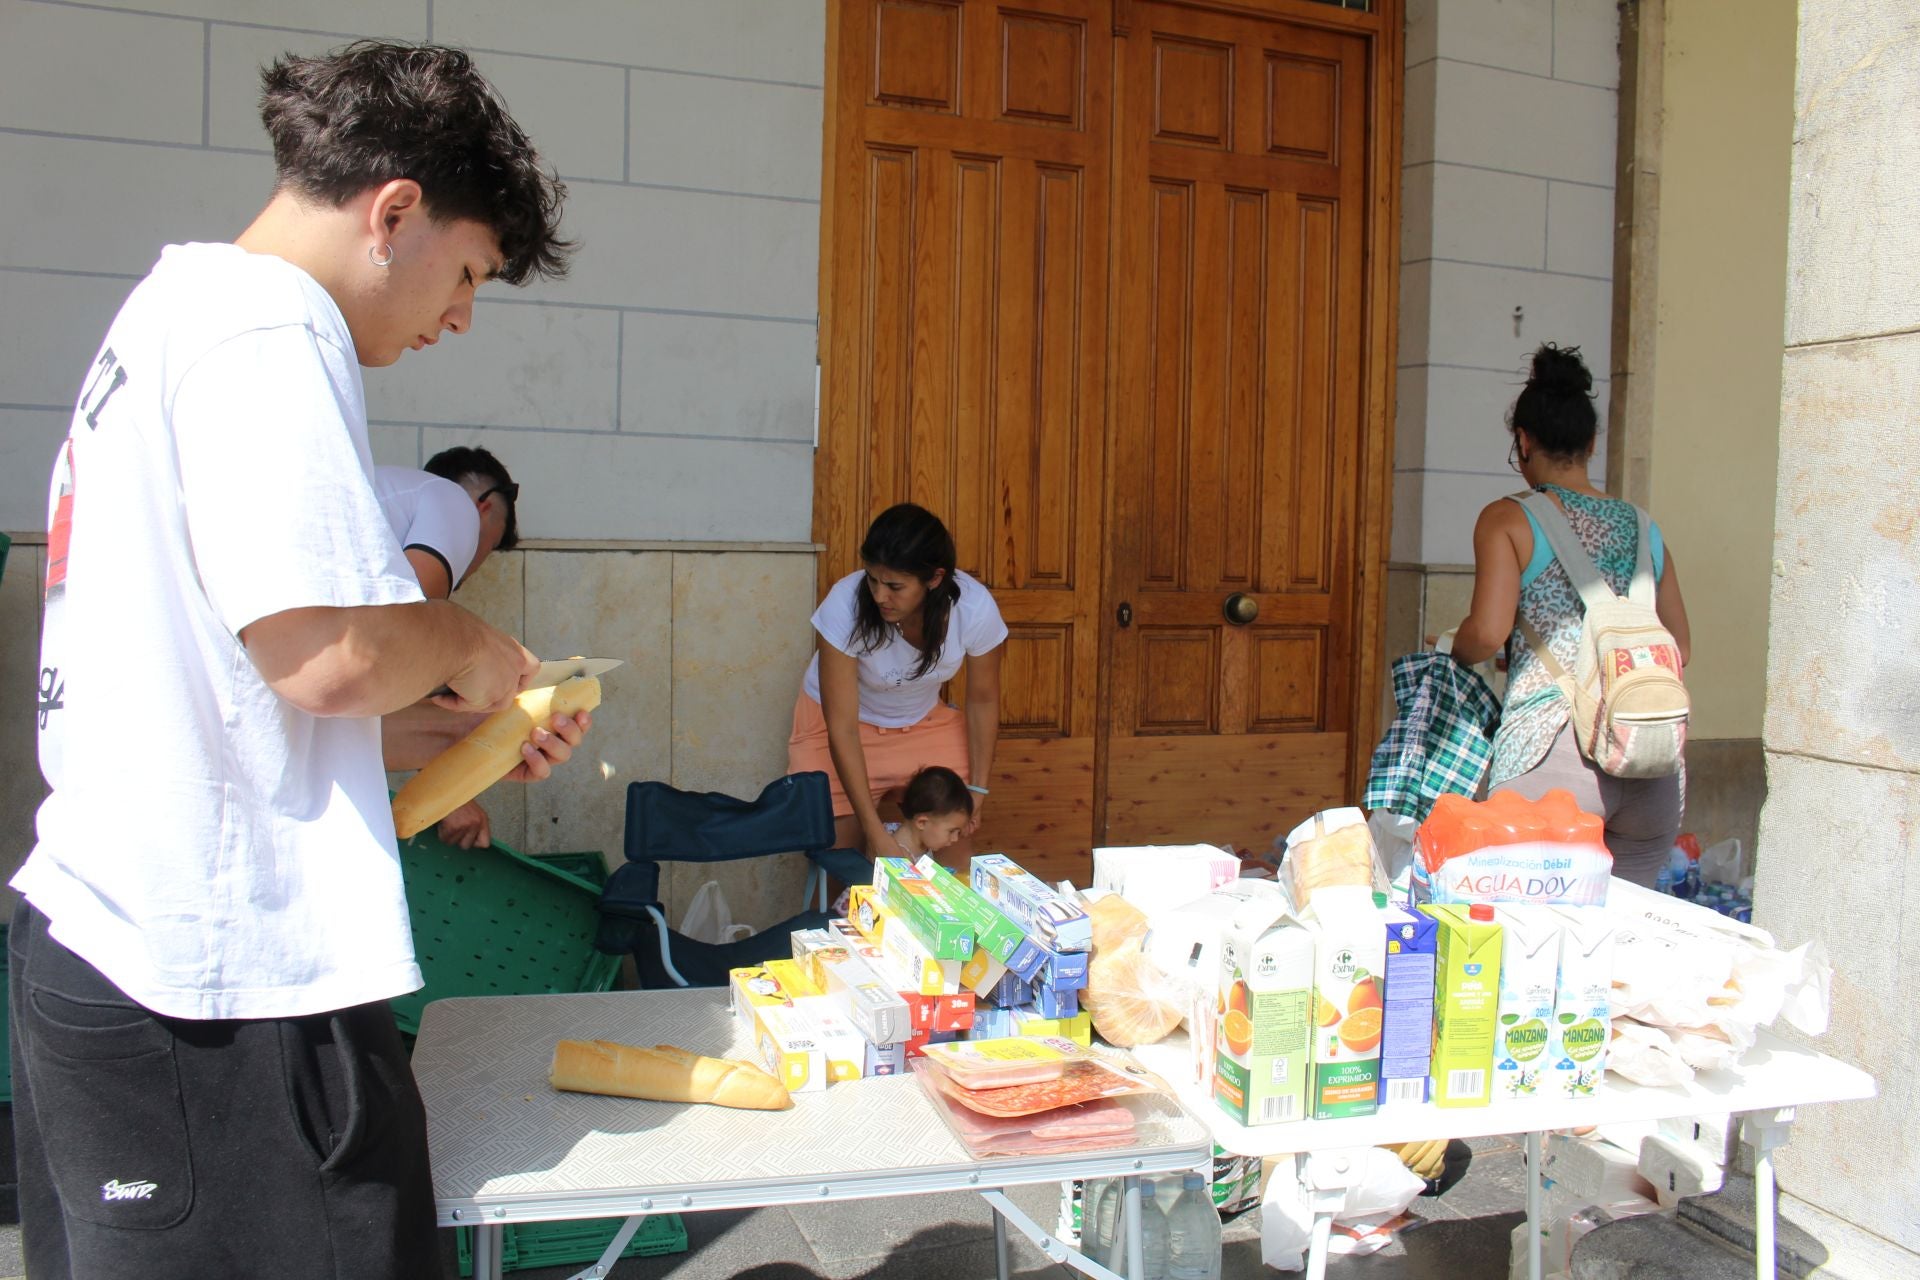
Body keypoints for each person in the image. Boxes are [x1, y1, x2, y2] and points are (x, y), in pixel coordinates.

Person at [9, 42, 582, 1280]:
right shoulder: (269, 324)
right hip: (210, 998)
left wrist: (464, 735)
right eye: (469, 272)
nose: (460, 317)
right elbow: (331, 657)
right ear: (393, 213)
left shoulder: (173, 312)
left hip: (112, 955)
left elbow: (234, 704)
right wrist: (475, 648)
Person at [1447, 343, 1692, 887]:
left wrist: (1454, 649)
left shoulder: (1508, 519)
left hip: (1553, 756)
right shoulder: (1642, 526)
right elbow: (1681, 647)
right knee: (1620, 944)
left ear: (1523, 440)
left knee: (1532, 943)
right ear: (1591, 443)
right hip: (1650, 761)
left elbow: (1487, 633)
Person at [788, 503, 1006, 860]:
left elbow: (982, 700)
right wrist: (875, 832)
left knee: (956, 841)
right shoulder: (845, 603)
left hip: (922, 722)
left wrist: (978, 789)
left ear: (935, 579)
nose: (878, 596)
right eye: (872, 579)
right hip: (839, 728)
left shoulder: (973, 607)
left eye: (894, 586)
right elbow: (840, 726)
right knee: (840, 863)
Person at [377, 446, 521, 850]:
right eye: (484, 550)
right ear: (485, 508)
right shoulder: (451, 502)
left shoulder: (388, 500)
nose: (468, 572)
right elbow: (407, 643)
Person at [374, 444, 519, 600]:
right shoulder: (457, 503)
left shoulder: (396, 495)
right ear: (483, 509)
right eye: (492, 546)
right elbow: (411, 610)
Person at [886, 765, 975, 859]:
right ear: (922, 823)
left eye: (958, 832)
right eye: (951, 831)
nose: (955, 839)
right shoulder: (897, 857)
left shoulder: (923, 841)